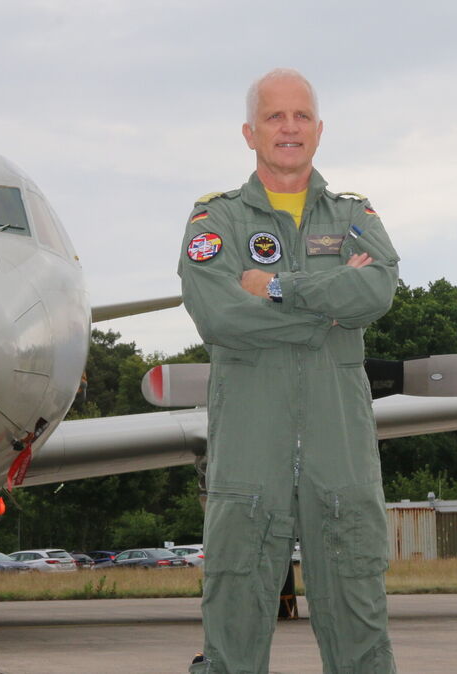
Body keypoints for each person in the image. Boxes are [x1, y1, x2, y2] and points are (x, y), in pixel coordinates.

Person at [178, 68, 400, 673]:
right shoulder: (215, 220)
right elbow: (221, 315)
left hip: (342, 453)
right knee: (235, 611)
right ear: (250, 132)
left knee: (359, 608)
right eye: (275, 117)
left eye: (301, 116)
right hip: (249, 453)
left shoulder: (354, 213)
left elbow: (377, 289)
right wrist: (327, 311)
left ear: (319, 129)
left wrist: (277, 287)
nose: (289, 128)